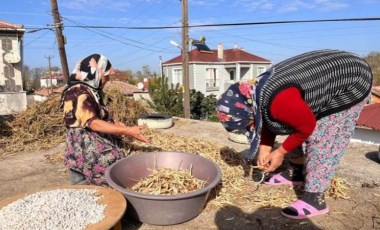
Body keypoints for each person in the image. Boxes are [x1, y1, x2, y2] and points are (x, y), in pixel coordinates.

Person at [216, 49, 373, 219]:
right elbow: (267, 118)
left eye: (249, 125)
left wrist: (280, 152)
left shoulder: (278, 101)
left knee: (324, 136)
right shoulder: (255, 94)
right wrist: (265, 148)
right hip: (331, 75)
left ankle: (315, 198)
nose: (251, 128)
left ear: (249, 113)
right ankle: (297, 171)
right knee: (294, 119)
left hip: (353, 80)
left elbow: (306, 126)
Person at [60, 54, 150, 186]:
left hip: (92, 137)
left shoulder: (90, 89)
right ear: (95, 72)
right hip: (84, 143)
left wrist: (116, 125)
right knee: (113, 164)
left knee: (124, 154)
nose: (107, 79)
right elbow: (93, 123)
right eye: (105, 75)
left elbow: (99, 117)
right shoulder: (79, 91)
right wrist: (127, 131)